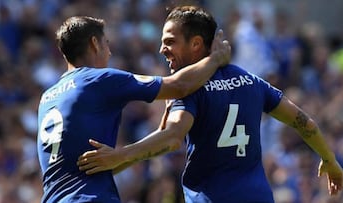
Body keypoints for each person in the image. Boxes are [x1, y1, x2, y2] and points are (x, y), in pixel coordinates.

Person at [77, 6, 343, 203]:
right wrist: (329, 159)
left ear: (196, 44)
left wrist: (119, 156)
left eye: (169, 41)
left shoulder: (187, 88)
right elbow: (303, 122)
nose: (161, 49)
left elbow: (171, 139)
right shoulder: (252, 81)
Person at [36, 16, 231, 203]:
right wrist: (215, 58)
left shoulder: (47, 98)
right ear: (95, 43)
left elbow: (94, 166)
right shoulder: (97, 79)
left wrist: (145, 143)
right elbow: (179, 86)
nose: (110, 52)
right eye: (107, 43)